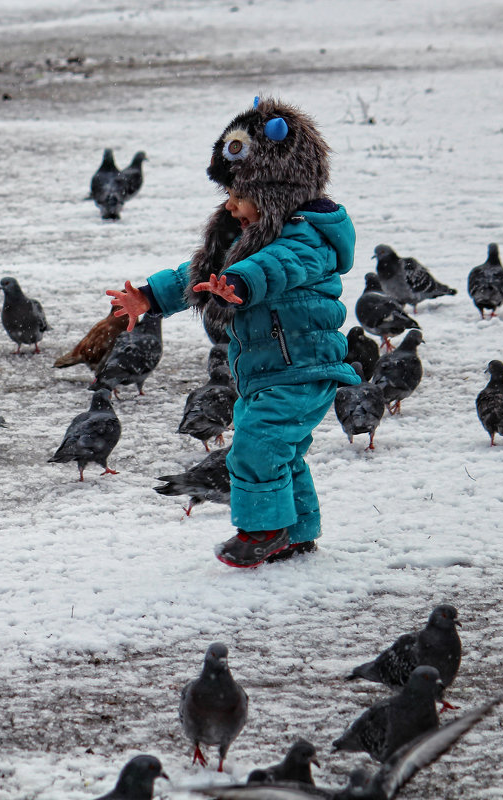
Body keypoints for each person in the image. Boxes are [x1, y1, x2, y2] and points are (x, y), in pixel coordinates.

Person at [108, 97, 359, 568]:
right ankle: (297, 531)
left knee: (255, 449)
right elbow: (199, 273)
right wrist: (150, 295)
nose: (230, 206)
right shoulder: (253, 236)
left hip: (303, 369)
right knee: (281, 453)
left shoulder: (308, 239)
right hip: (268, 372)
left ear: (274, 197)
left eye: (240, 197)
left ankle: (262, 530)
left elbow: (277, 267)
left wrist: (240, 283)